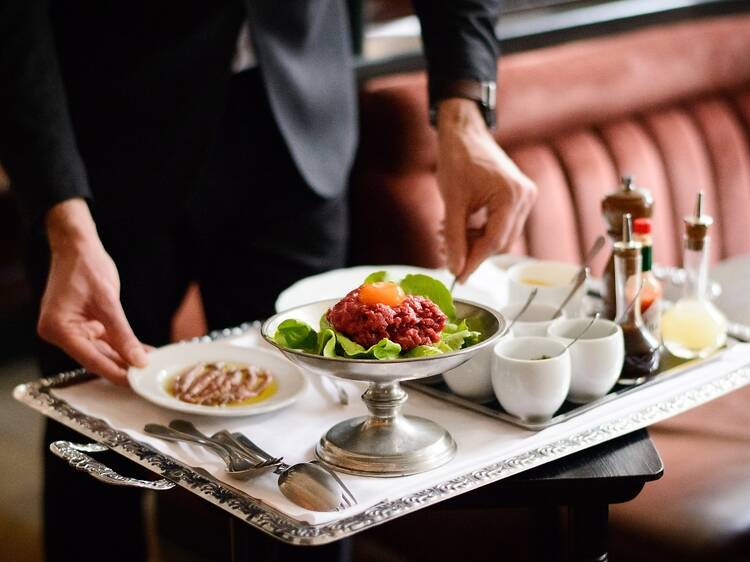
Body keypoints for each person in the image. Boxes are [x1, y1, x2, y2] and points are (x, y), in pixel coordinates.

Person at [0, 0, 537, 560]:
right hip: (102, 148)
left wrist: (465, 113)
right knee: (96, 450)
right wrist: (62, 216)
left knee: (312, 453)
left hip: (299, 128)